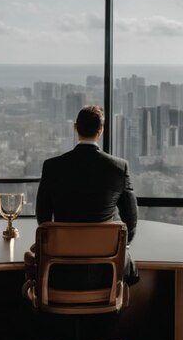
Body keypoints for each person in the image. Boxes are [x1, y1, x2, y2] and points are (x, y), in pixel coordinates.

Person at [33, 104, 139, 285]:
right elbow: (131, 219)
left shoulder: (52, 167)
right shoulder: (119, 168)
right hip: (106, 269)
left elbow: (42, 216)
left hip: (60, 268)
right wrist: (119, 247)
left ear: (76, 128)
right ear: (101, 131)